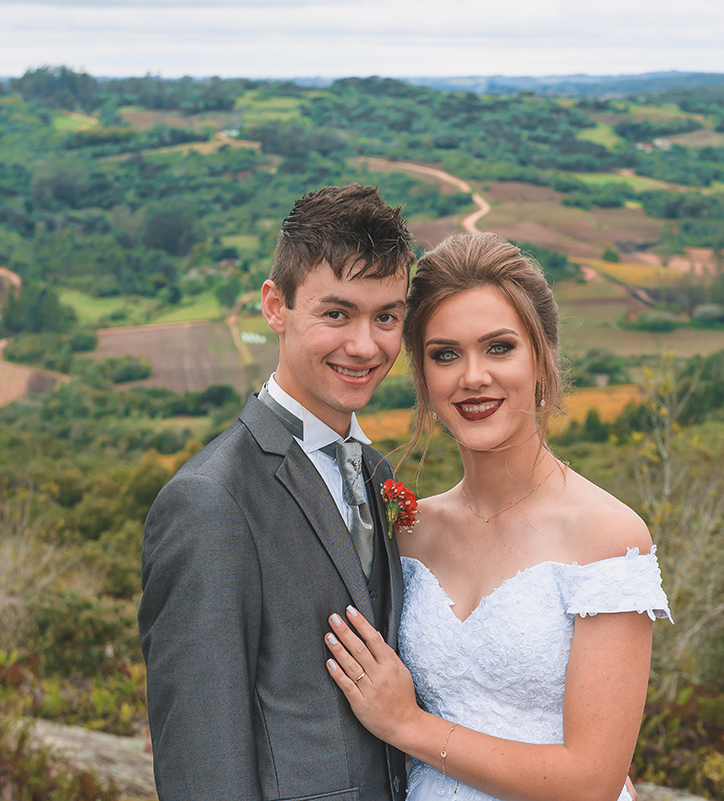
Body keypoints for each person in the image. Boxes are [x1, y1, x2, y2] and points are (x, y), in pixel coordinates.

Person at [322, 232, 671, 801]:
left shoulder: (607, 536)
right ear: (423, 375)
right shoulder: (408, 531)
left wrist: (407, 725)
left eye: (499, 348)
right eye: (445, 354)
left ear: (542, 355)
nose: (472, 377)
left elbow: (593, 780)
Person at [139, 184, 415, 801]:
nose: (366, 346)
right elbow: (201, 761)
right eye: (337, 313)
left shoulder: (375, 471)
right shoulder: (209, 502)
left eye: (387, 317)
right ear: (275, 306)